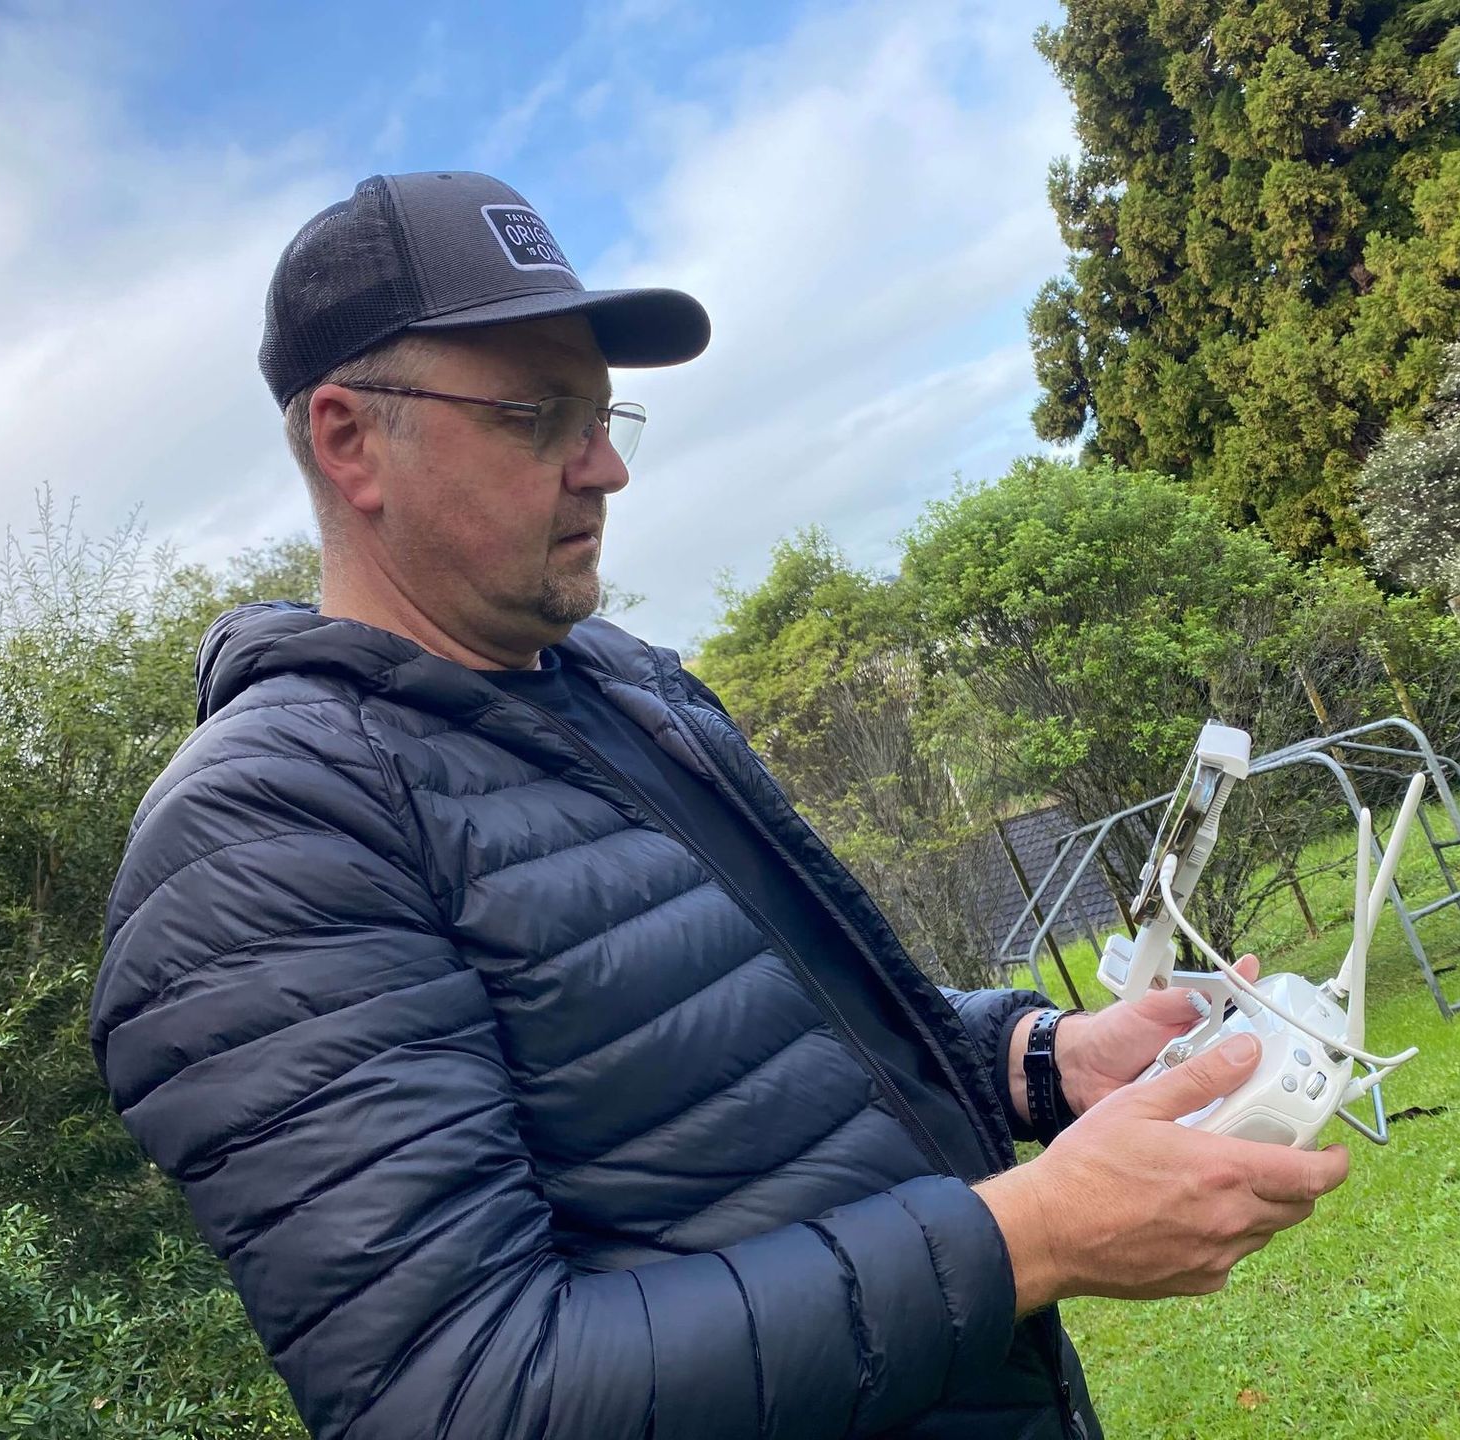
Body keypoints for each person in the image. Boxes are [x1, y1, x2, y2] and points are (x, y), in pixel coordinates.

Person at [89, 171, 1348, 1440]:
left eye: (605, 412)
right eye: (540, 416)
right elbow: (462, 1394)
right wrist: (1029, 1235)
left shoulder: (627, 693)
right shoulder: (263, 835)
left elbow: (777, 1055)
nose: (608, 468)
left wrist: (1038, 1063)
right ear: (350, 441)